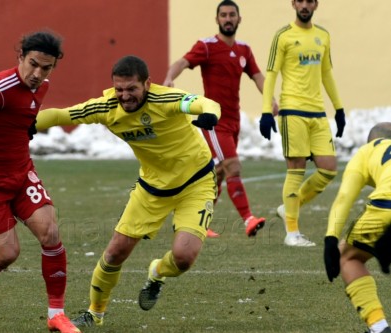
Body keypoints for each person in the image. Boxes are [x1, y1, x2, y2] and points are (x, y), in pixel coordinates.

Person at [35, 55, 221, 327]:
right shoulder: (107, 107)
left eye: (131, 89)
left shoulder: (166, 100)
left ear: (147, 83)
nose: (125, 96)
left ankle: (157, 271)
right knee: (114, 254)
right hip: (151, 189)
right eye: (119, 89)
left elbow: (205, 102)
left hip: (196, 182)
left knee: (183, 258)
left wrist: (208, 114)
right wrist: (27, 125)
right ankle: (94, 313)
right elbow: (62, 114)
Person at [0, 31, 80, 333]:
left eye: (45, 68)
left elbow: (19, 117)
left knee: (50, 232)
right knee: (8, 253)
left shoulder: (42, 86)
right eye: (32, 64)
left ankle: (56, 314)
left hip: (21, 173)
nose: (37, 74)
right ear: (20, 56)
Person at [163, 0, 277, 238]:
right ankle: (248, 219)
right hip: (214, 121)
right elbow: (183, 62)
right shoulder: (206, 46)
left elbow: (257, 77)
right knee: (232, 166)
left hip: (234, 121)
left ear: (239, 19)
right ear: (217, 20)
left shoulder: (244, 50)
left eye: (231, 15)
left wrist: (270, 100)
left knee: (218, 173)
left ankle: (197, 222)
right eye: (223, 15)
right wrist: (169, 77)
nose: (227, 19)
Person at [259, 0, 345, 247]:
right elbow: (271, 74)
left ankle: (288, 207)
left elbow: (326, 72)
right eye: (301, 1)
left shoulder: (323, 35)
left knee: (328, 169)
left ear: (316, 5)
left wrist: (338, 108)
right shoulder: (283, 36)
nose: (305, 5)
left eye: (310, 1)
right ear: (293, 4)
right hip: (292, 111)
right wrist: (266, 111)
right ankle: (292, 233)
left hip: (317, 113)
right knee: (295, 169)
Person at [323, 122, 391, 333]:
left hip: (385, 207)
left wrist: (331, 239)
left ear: (370, 140)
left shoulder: (366, 152)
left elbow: (344, 197)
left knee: (349, 256)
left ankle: (379, 327)